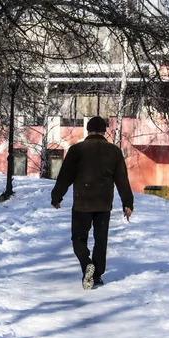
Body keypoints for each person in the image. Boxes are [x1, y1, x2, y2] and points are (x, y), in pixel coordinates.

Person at [51, 116, 134, 290]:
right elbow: (122, 180)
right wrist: (127, 203)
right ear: (104, 131)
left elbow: (65, 175)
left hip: (83, 202)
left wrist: (57, 196)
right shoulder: (114, 151)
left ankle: (86, 262)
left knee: (78, 238)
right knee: (100, 239)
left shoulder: (77, 150)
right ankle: (96, 275)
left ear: (88, 130)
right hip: (104, 204)